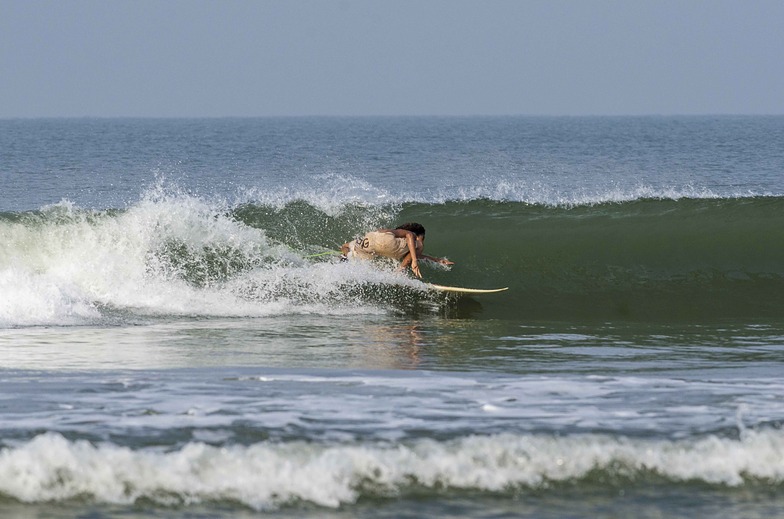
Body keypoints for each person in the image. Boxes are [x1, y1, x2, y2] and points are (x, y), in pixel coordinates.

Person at [341, 222, 453, 278]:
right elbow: (410, 254)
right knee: (416, 247)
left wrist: (436, 260)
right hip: (387, 241)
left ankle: (345, 258)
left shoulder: (393, 232)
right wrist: (413, 260)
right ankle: (397, 274)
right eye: (422, 238)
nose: (422, 241)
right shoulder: (413, 238)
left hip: (371, 238)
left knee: (347, 247)